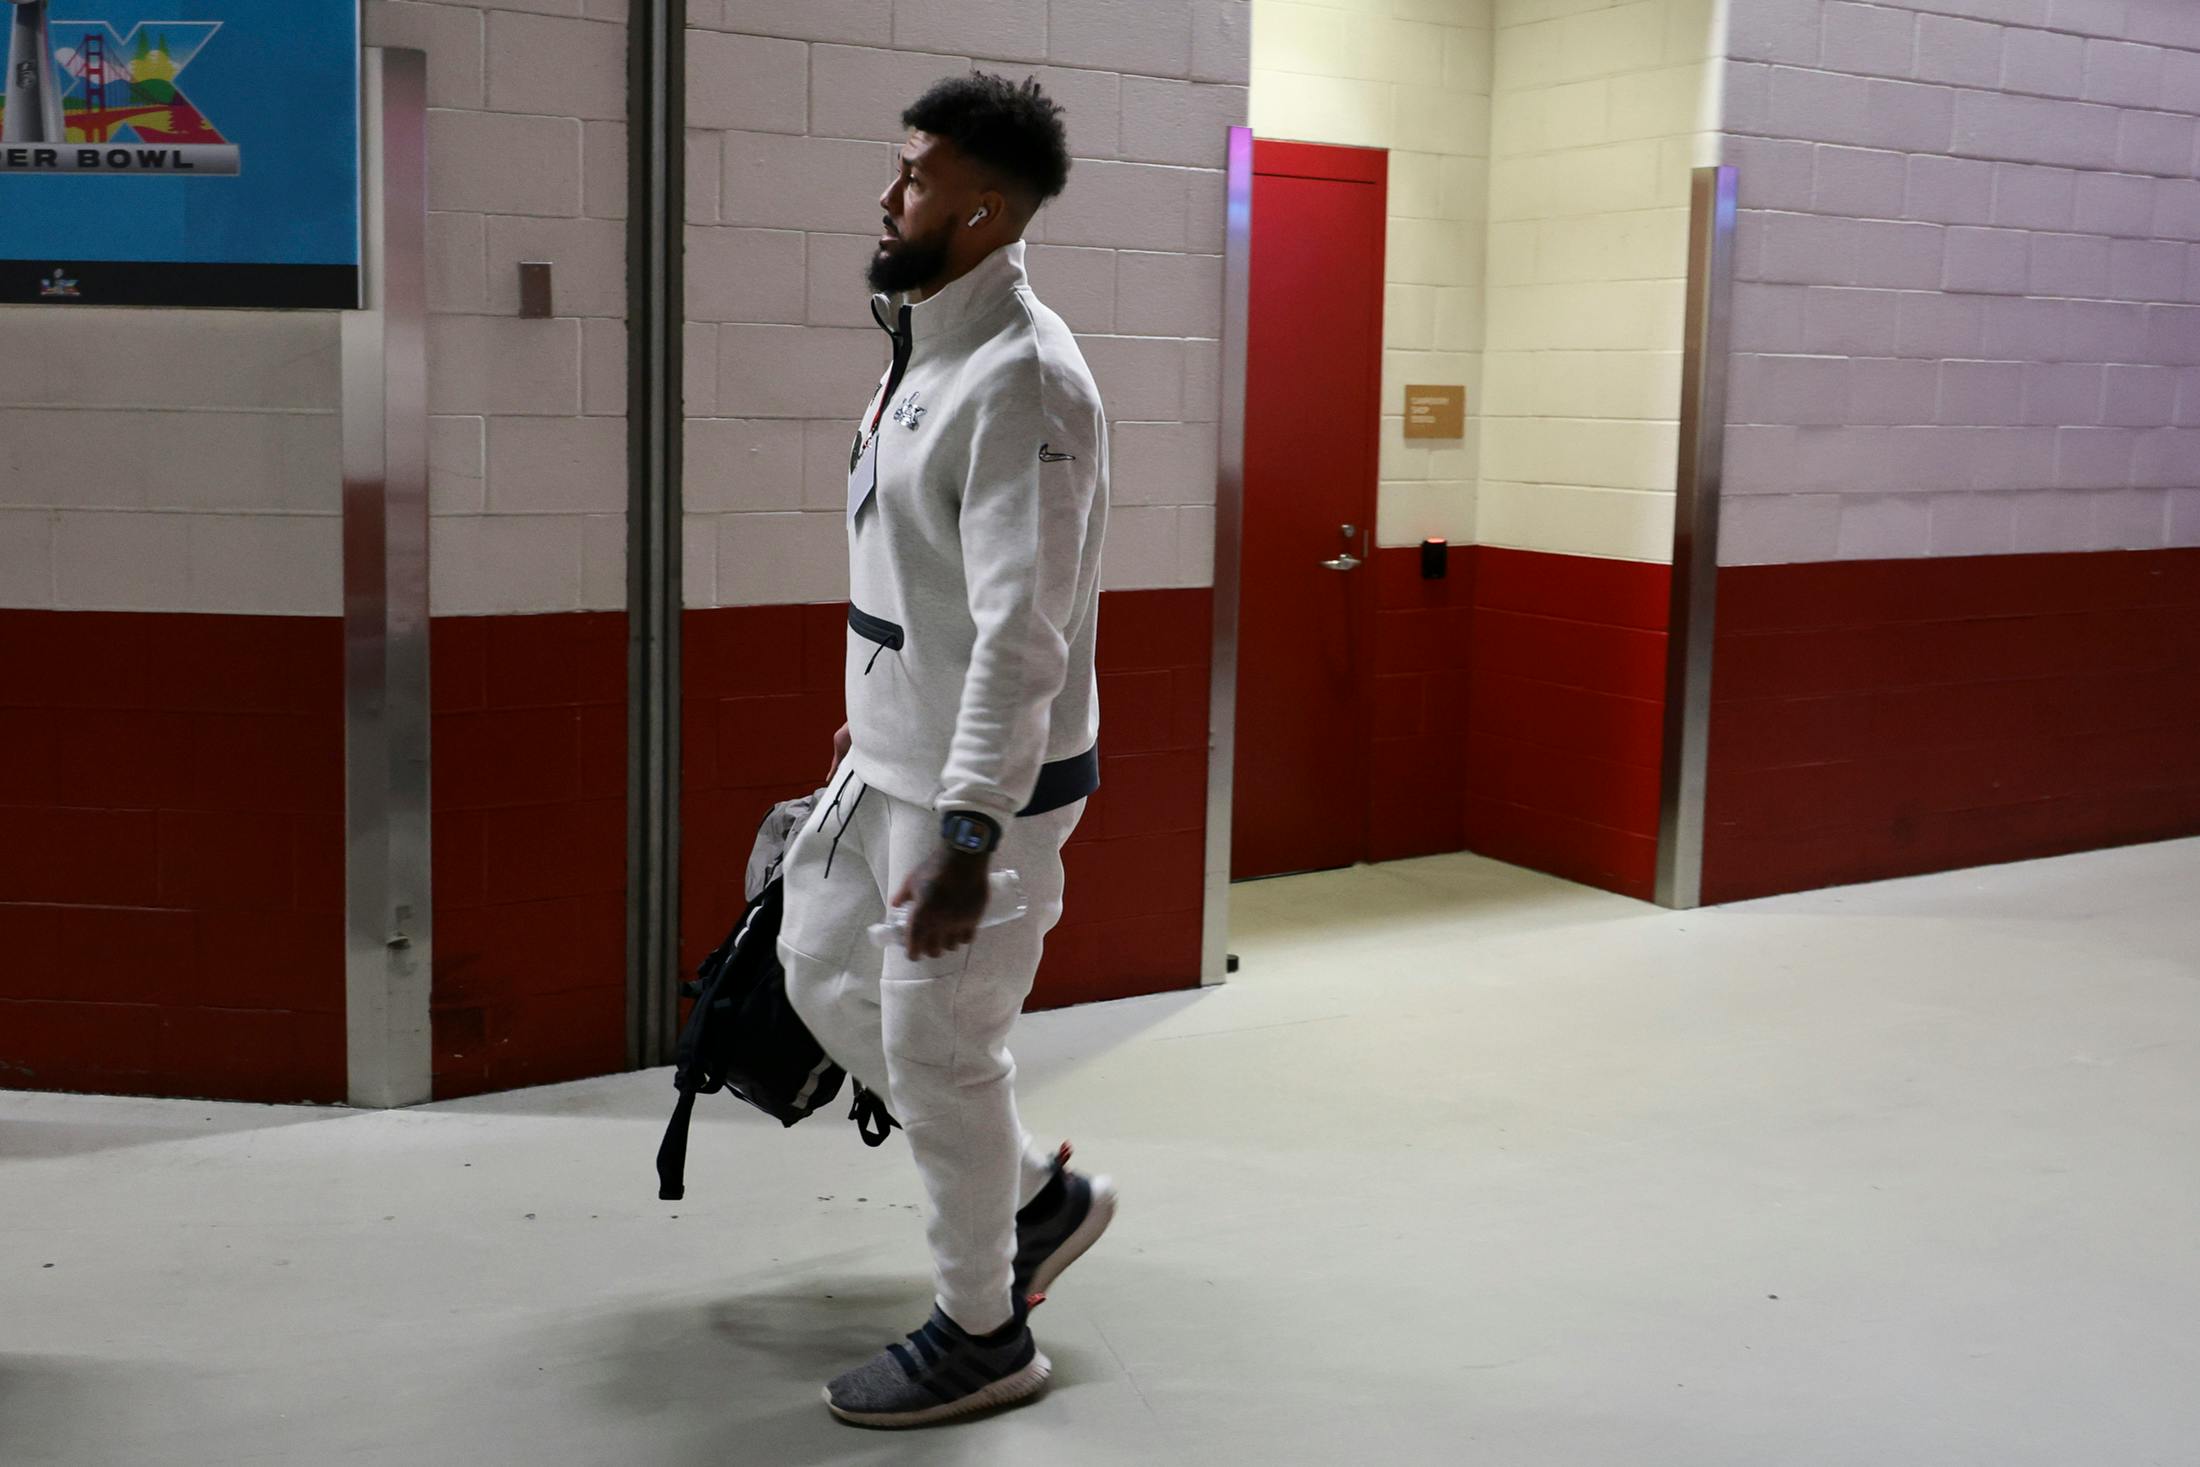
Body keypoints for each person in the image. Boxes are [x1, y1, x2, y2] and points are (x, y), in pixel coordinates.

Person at [777, 72, 1116, 1430]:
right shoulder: (926, 341)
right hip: (893, 761)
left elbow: (1017, 639)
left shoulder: (1025, 381)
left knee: (938, 1046)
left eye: (913, 174)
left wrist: (973, 833)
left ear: (982, 208)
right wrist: (877, 713)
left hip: (986, 796)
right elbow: (907, 587)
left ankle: (983, 1327)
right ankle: (1036, 1193)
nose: (887, 190)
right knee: (813, 968)